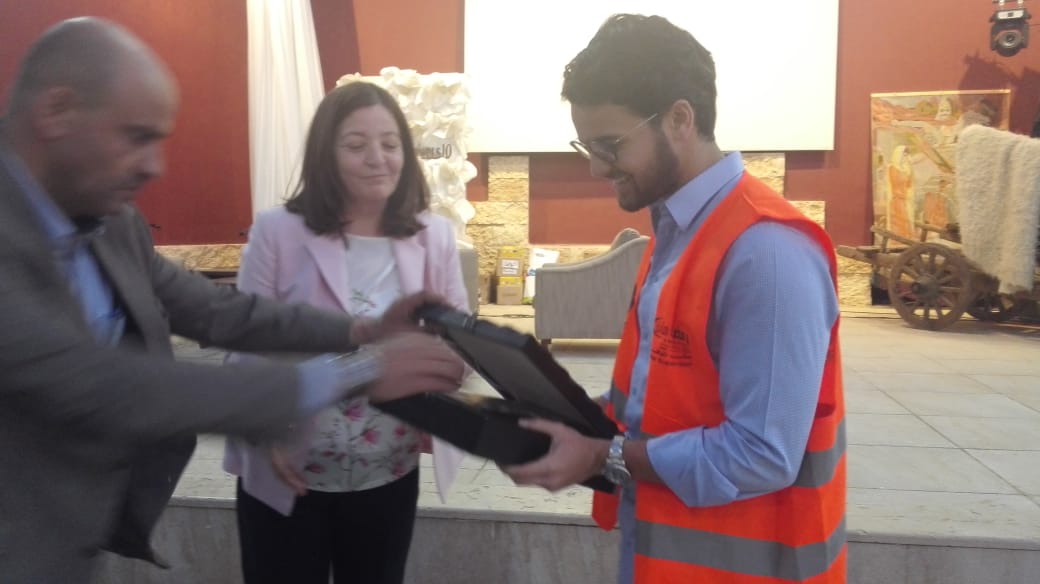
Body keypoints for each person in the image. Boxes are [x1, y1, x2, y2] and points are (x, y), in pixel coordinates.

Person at [0, 17, 463, 583]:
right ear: (57, 111)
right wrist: (361, 371)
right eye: (136, 137)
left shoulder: (111, 221)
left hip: (64, 544)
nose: (155, 166)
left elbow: (220, 312)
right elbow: (108, 384)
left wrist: (362, 331)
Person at [501, 14, 846, 584]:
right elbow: (662, 399)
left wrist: (603, 456)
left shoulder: (766, 252)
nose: (596, 167)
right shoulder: (677, 231)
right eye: (587, 146)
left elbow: (762, 453)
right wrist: (567, 418)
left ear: (680, 119)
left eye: (610, 144)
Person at [223, 80, 469, 584]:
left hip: (388, 468)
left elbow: (460, 346)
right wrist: (265, 429)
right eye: (357, 145)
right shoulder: (277, 231)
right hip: (288, 467)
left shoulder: (434, 236)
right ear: (326, 155)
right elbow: (245, 343)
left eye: (390, 144)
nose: (378, 158)